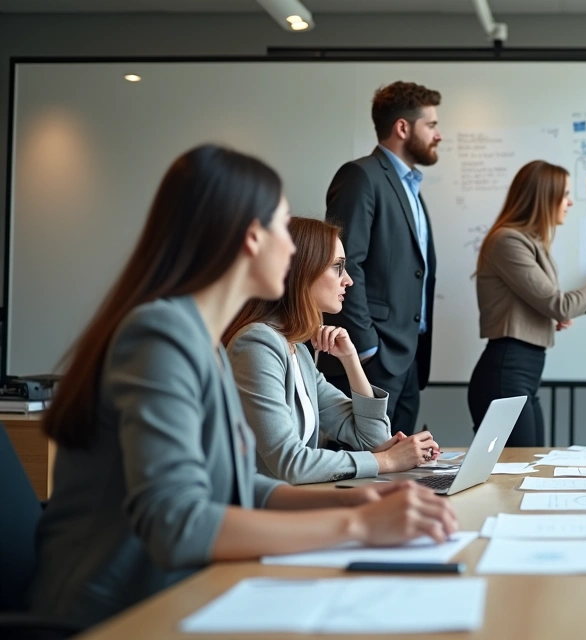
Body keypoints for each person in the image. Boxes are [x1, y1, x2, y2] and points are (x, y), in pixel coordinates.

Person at [29, 145, 458, 628]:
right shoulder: (161, 336)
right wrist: (356, 525)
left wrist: (350, 499)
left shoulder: (204, 340)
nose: (293, 251)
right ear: (253, 237)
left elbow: (233, 485)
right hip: (118, 616)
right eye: (282, 228)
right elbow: (177, 523)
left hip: (175, 593)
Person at [224, 217, 440, 485]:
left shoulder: (298, 351)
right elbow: (290, 463)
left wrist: (350, 359)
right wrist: (388, 461)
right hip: (263, 507)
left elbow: (372, 439)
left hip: (298, 500)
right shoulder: (257, 345)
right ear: (302, 270)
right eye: (338, 267)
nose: (348, 280)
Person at [468, 160, 586, 447]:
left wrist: (548, 317)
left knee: (531, 462)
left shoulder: (531, 242)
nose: (570, 202)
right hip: (508, 371)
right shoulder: (508, 241)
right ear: (544, 197)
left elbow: (545, 304)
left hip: (524, 372)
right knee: (517, 466)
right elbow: (559, 305)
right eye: (565, 194)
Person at [321, 81, 442, 435]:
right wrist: (366, 348)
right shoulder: (361, 176)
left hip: (409, 356)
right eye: (431, 125)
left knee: (403, 459)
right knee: (366, 461)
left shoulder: (411, 187)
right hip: (374, 358)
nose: (438, 135)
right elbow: (345, 262)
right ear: (403, 128)